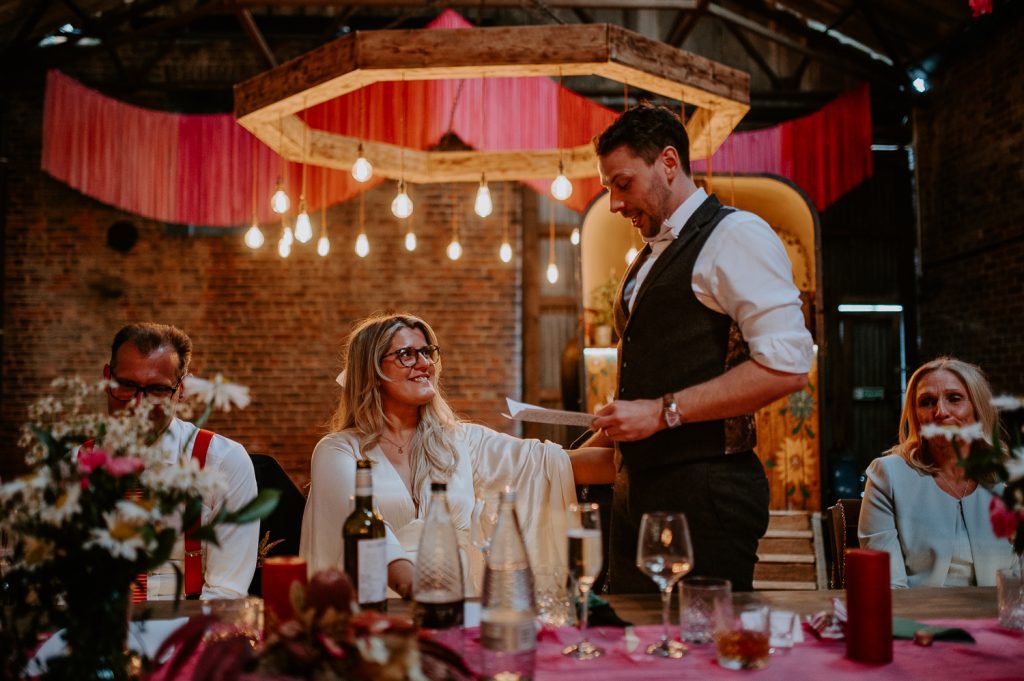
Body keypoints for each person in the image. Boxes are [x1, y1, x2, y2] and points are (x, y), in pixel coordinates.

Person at [584, 103, 814, 593]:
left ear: (669, 162)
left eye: (622, 184)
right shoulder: (651, 254)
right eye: (608, 189)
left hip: (706, 498)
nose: (614, 204)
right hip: (636, 497)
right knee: (636, 656)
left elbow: (788, 367)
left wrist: (663, 411)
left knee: (699, 658)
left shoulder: (737, 236)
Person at [299, 312, 612, 598]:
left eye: (427, 352)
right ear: (372, 371)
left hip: (456, 604)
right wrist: (422, 591)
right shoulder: (337, 451)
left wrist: (629, 436)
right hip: (381, 607)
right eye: (406, 354)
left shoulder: (462, 441)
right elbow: (368, 534)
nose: (425, 364)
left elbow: (558, 467)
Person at [104, 323, 259, 599]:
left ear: (181, 389)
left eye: (157, 390)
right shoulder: (76, 463)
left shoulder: (222, 462)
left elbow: (225, 593)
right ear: (107, 378)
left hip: (188, 633)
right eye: (126, 385)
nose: (139, 404)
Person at [859, 357, 1016, 588]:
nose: (940, 411)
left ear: (978, 408)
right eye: (927, 402)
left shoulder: (1007, 479)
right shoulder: (888, 476)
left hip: (995, 618)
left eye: (954, 398)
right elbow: (889, 586)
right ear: (916, 416)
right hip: (918, 619)